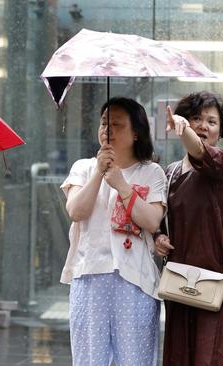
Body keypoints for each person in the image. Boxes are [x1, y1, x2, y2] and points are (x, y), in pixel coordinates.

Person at [60, 97, 166, 366]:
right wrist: (99, 173)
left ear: (136, 133)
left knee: (135, 359)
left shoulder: (151, 172)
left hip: (135, 281)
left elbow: (152, 221)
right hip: (89, 278)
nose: (107, 130)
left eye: (116, 124)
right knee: (89, 359)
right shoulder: (82, 168)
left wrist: (121, 184)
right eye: (104, 123)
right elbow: (76, 211)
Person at [154, 91, 223, 366]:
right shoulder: (171, 172)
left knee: (215, 353)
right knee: (181, 352)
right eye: (196, 119)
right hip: (180, 278)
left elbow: (199, 151)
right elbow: (161, 222)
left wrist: (183, 129)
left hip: (215, 277)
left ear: (221, 130)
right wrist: (158, 237)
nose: (203, 126)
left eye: (211, 121)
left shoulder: (221, 163)